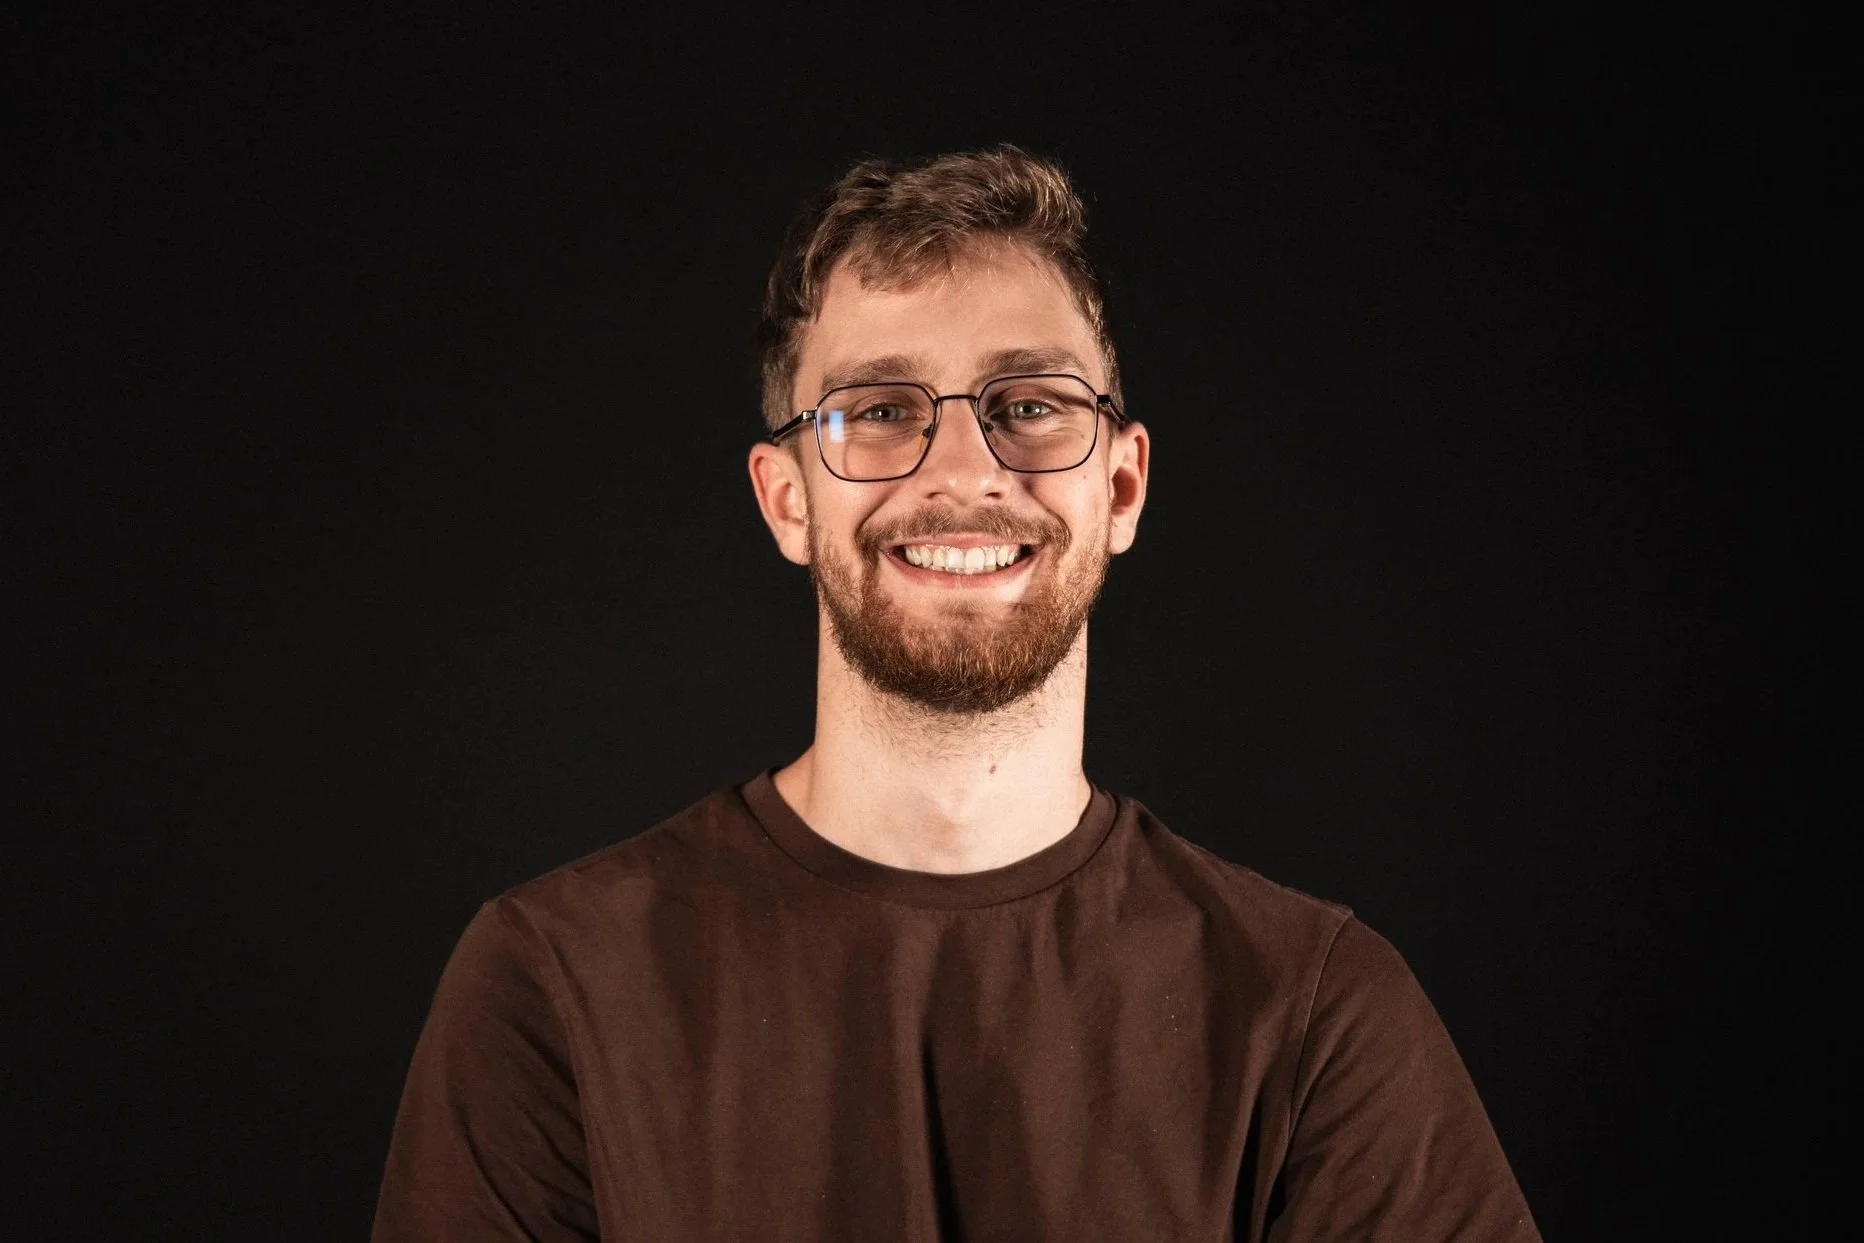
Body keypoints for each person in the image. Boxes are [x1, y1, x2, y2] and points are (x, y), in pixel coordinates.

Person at [371, 145, 1540, 1242]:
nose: (965, 471)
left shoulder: (1313, 1007)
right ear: (785, 500)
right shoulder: (555, 983)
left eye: (1029, 404)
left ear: (1122, 486)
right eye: (880, 413)